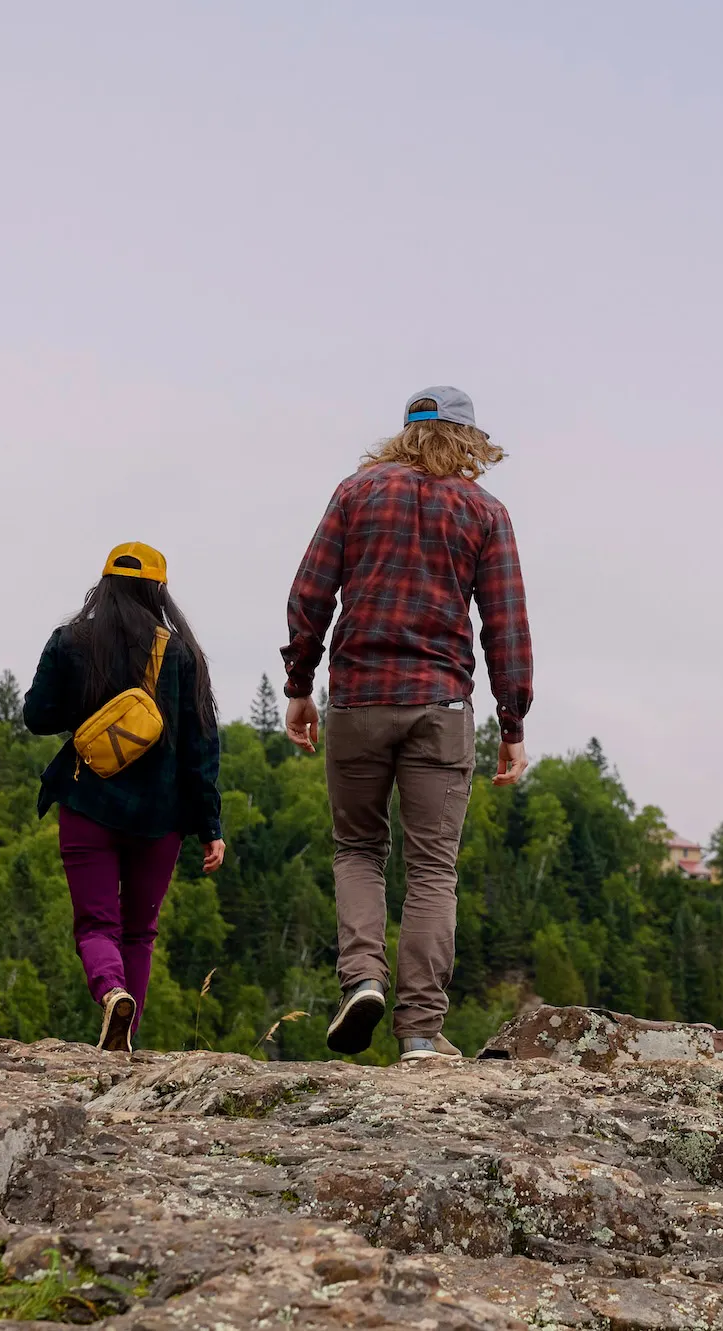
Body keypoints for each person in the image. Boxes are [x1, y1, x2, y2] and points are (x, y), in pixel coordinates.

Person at [282, 387, 533, 1062]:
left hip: (358, 700)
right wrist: (513, 722)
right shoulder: (485, 511)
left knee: (358, 848)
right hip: (439, 707)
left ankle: (363, 978)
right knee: (431, 870)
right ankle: (422, 1034)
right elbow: (505, 625)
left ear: (405, 434)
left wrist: (299, 687)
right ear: (470, 441)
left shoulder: (356, 493)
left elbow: (310, 593)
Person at [23, 541, 225, 1052]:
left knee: (95, 923)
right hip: (162, 817)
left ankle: (112, 991)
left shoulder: (71, 641)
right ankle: (125, 1039)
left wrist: (87, 706)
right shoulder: (180, 653)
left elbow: (37, 716)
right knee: (139, 931)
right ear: (159, 590)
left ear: (105, 585)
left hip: (87, 803)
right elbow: (202, 748)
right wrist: (211, 827)